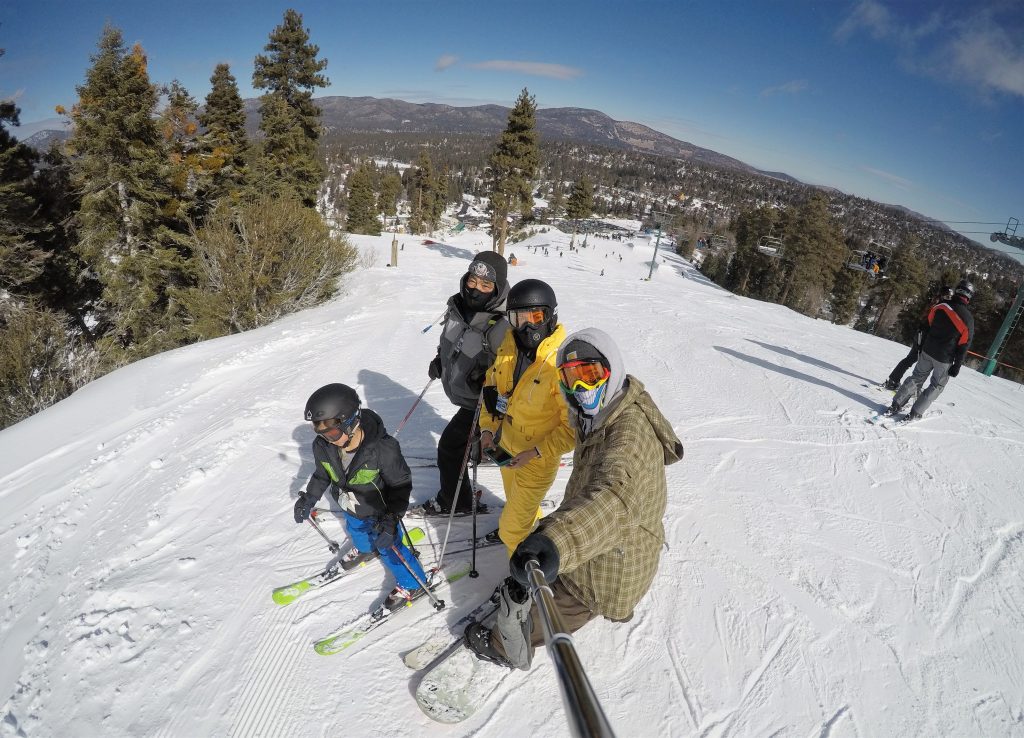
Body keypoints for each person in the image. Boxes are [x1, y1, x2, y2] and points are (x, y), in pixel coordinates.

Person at [465, 328, 684, 670]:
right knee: (552, 569)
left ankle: (504, 648)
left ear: (612, 371)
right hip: (606, 540)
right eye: (571, 378)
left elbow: (613, 501)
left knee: (550, 604)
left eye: (591, 375)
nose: (582, 388)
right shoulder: (607, 411)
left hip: (608, 568)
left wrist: (556, 541)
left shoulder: (628, 436)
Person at [293, 384, 429, 610]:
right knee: (356, 530)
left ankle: (413, 582)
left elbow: (401, 485)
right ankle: (365, 548)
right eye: (320, 432)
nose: (328, 439)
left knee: (389, 548)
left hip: (381, 514)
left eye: (332, 433)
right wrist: (309, 498)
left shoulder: (383, 449)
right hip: (350, 506)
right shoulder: (323, 446)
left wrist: (391, 519)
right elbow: (322, 474)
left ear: (351, 422)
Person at [479, 279, 575, 553]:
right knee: (518, 508)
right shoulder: (509, 348)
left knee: (511, 530)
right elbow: (492, 388)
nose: (527, 327)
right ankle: (528, 533)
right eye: (518, 319)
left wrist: (535, 452)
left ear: (550, 317)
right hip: (507, 448)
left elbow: (572, 429)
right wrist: (487, 430)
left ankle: (522, 572)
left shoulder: (560, 364)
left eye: (536, 318)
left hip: (537, 459)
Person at [420, 252, 511, 516]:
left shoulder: (504, 324)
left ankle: (455, 502)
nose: (475, 289)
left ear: (497, 288)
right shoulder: (458, 307)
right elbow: (452, 340)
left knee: (450, 448)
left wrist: (489, 383)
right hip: (468, 397)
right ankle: (486, 448)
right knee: (469, 442)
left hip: (484, 403)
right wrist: (441, 359)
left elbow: (514, 369)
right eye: (472, 280)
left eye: (485, 285)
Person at [887, 279, 975, 420]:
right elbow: (964, 345)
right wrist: (957, 365)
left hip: (927, 350)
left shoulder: (941, 306)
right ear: (969, 296)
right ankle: (915, 413)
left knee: (916, 378)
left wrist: (921, 345)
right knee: (937, 385)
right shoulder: (968, 319)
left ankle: (896, 404)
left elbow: (927, 325)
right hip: (944, 358)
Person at [883, 286, 953, 390]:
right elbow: (929, 322)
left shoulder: (940, 305)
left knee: (915, 361)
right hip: (924, 336)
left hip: (924, 335)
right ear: (942, 295)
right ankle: (896, 382)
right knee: (914, 360)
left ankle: (895, 381)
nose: (949, 299)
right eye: (947, 296)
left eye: (950, 297)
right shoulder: (938, 306)